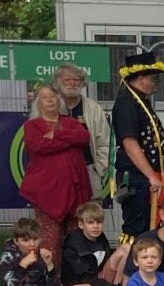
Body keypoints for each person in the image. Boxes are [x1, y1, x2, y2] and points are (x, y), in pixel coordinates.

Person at [20, 80, 94, 263]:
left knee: (76, 238)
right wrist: (68, 140)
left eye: (53, 96)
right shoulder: (33, 126)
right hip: (48, 192)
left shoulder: (69, 122)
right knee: (49, 241)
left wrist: (57, 135)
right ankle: (48, 281)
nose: (50, 100)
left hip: (75, 189)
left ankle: (75, 281)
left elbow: (83, 136)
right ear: (38, 103)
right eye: (44, 97)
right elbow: (38, 146)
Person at [112, 57, 164, 242]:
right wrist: (151, 175)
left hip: (148, 176)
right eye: (154, 79)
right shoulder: (126, 102)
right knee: (136, 228)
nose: (157, 84)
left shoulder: (141, 101)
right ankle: (129, 268)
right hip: (137, 177)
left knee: (150, 225)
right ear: (141, 78)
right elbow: (130, 144)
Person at [0, 214, 94, 286]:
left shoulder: (42, 254)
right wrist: (22, 266)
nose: (32, 244)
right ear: (16, 241)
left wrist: (50, 265)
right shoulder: (8, 255)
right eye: (26, 240)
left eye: (35, 239)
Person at [37, 63, 110, 200]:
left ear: (82, 83)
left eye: (76, 80)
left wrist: (98, 169)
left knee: (90, 218)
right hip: (55, 176)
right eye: (67, 80)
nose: (72, 83)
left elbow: (105, 143)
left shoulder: (93, 109)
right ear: (58, 82)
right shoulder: (49, 107)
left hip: (88, 172)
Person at [61, 200, 130, 286]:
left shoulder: (101, 238)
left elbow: (104, 263)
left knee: (126, 248)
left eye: (99, 222)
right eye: (91, 223)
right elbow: (85, 279)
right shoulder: (72, 247)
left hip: (99, 280)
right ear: (81, 225)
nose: (96, 226)